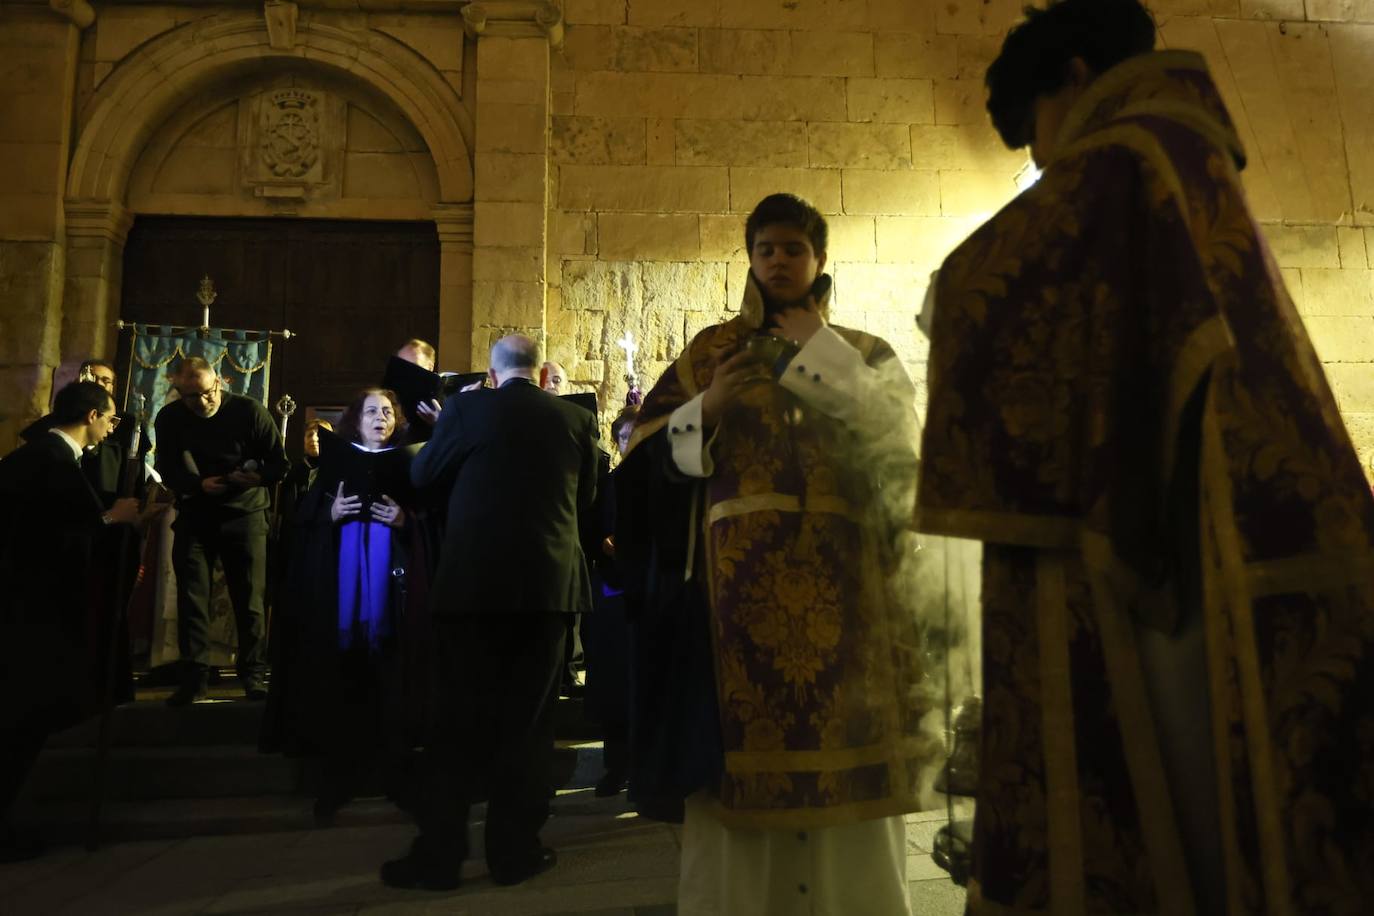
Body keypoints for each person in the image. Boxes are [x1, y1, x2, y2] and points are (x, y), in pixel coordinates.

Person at [917, 1, 1374, 912]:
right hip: (1212, 500)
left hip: (1181, 536)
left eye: (1039, 136)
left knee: (1179, 776)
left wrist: (952, 301)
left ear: (1078, 78)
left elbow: (979, 282)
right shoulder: (1184, 153)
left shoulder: (1134, 151)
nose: (1044, 165)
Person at [620, 193, 932, 914]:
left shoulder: (864, 351)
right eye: (766, 249)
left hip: (848, 604)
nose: (779, 261)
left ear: (819, 259)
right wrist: (710, 408)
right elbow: (642, 468)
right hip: (734, 611)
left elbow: (903, 445)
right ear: (751, 259)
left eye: (794, 249)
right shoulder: (712, 353)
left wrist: (820, 350)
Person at [380, 334, 599, 890]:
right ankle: (515, 853)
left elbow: (423, 477)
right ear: (536, 370)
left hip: (473, 589)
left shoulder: (466, 409)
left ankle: (439, 857)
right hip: (546, 592)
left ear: (494, 374)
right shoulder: (574, 420)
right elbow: (586, 499)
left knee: (456, 725)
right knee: (528, 726)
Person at [263, 390, 428, 821]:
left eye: (388, 412)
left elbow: (431, 526)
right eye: (372, 411)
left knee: (391, 682)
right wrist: (329, 515)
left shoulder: (408, 465)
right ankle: (337, 781)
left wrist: (406, 521)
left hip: (392, 596)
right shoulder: (332, 470)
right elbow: (302, 531)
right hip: (341, 600)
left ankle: (397, 777)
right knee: (343, 683)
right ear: (356, 421)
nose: (380, 418)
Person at [0, 382, 143, 861]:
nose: (110, 428)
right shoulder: (52, 463)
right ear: (90, 415)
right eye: (109, 418)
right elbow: (47, 542)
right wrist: (113, 521)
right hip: (29, 618)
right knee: (17, 724)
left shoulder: (38, 458)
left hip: (24, 612)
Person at [154, 357, 288, 705]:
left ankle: (253, 677)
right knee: (192, 599)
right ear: (178, 392)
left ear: (221, 383)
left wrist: (256, 477)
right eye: (191, 396)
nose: (202, 402)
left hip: (245, 515)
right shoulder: (170, 418)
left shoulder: (250, 412)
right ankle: (194, 680)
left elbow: (279, 463)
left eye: (208, 392)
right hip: (196, 514)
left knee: (250, 601)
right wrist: (197, 484)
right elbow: (165, 467)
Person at [581, 404, 639, 797]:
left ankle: (650, 766)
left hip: (650, 594)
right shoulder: (607, 484)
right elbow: (589, 528)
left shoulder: (663, 482)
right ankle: (616, 766)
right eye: (623, 436)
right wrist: (603, 542)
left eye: (637, 435)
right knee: (614, 683)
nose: (629, 442)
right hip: (614, 593)